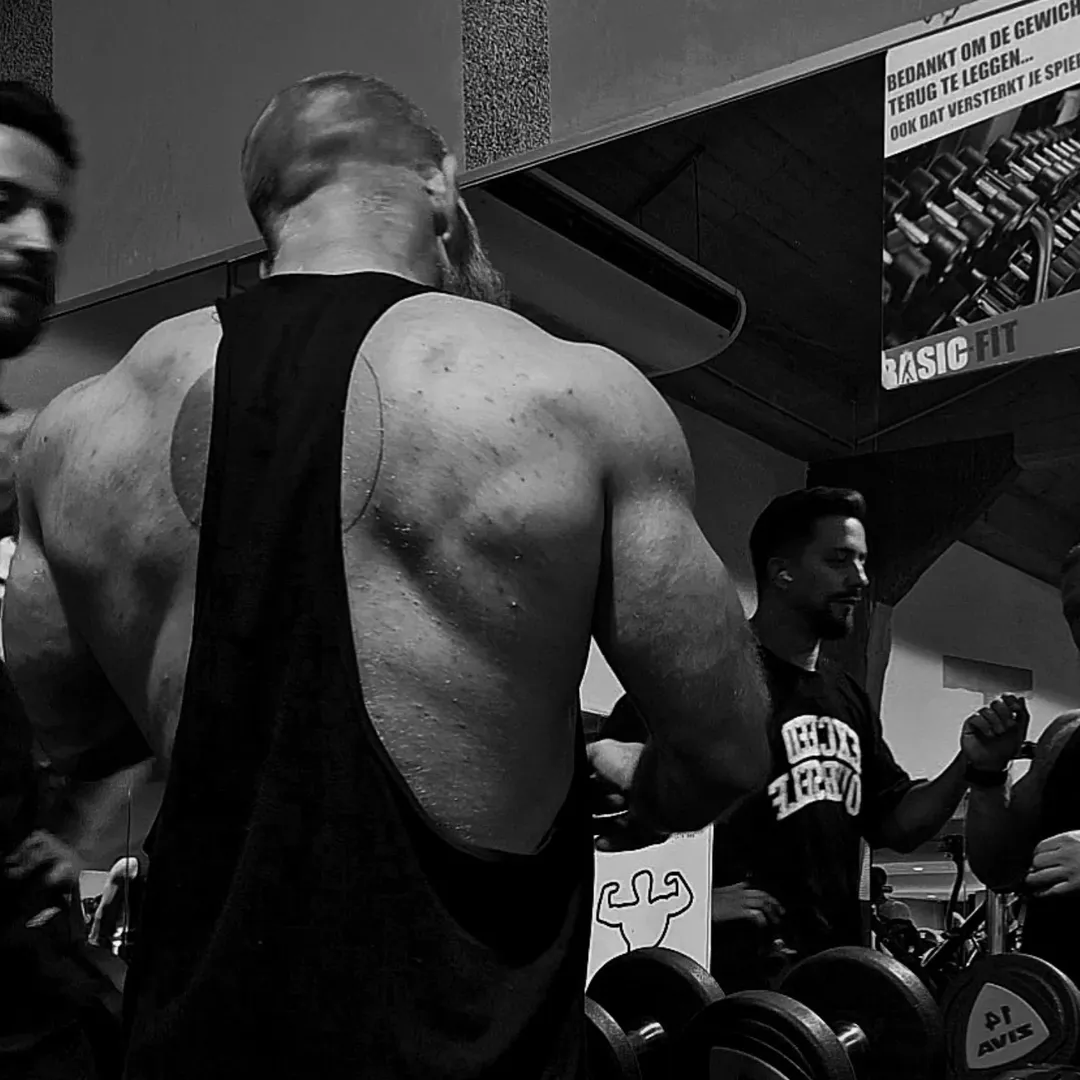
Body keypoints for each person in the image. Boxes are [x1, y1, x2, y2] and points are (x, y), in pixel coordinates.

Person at [1, 72, 772, 1079]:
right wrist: (647, 789)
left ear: (270, 211)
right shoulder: (573, 394)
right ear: (441, 184)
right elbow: (724, 751)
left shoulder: (76, 435)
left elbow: (64, 727)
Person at [604, 486, 1020, 989]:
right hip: (723, 982)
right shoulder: (699, 680)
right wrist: (694, 904)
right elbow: (609, 834)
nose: (860, 579)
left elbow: (896, 824)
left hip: (828, 972)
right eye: (839, 561)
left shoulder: (845, 694)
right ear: (782, 572)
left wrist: (969, 765)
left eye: (862, 562)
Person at [0, 80, 150, 1079]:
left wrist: (62, 831)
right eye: (3, 205)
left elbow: (110, 714)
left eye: (52, 218)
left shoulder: (30, 463)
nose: (36, 241)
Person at [966, 542, 1080, 986]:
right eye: (1075, 612)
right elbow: (1001, 870)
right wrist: (988, 776)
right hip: (1055, 1004)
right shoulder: (1064, 735)